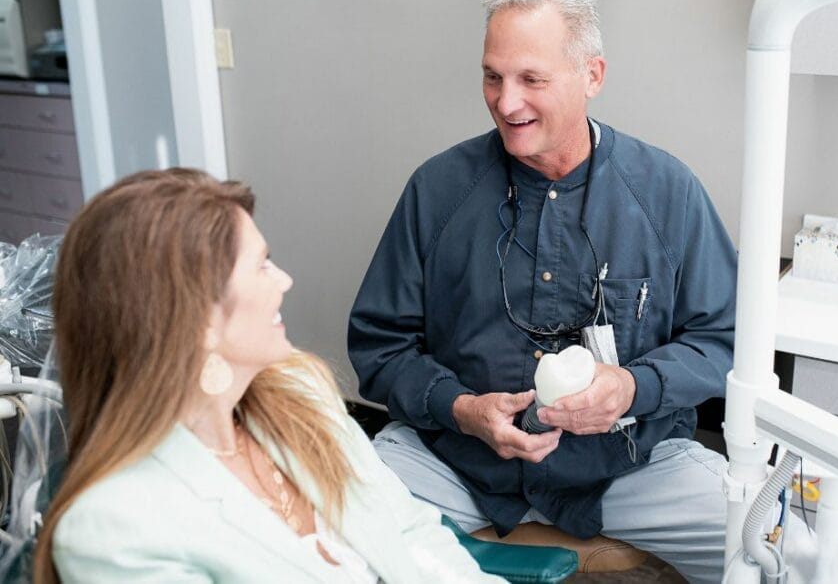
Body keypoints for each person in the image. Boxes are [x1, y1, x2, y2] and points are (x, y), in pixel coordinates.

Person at [348, 0, 738, 583]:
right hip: (456, 459)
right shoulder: (438, 190)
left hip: (629, 466)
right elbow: (380, 345)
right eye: (492, 77)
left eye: (532, 79)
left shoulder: (667, 191)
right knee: (332, 540)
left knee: (771, 550)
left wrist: (634, 388)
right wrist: (460, 408)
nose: (507, 103)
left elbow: (723, 338)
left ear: (592, 76)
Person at [34, 168, 502, 583]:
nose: (284, 281)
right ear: (197, 318)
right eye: (261, 266)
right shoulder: (114, 529)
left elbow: (410, 531)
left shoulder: (301, 396)